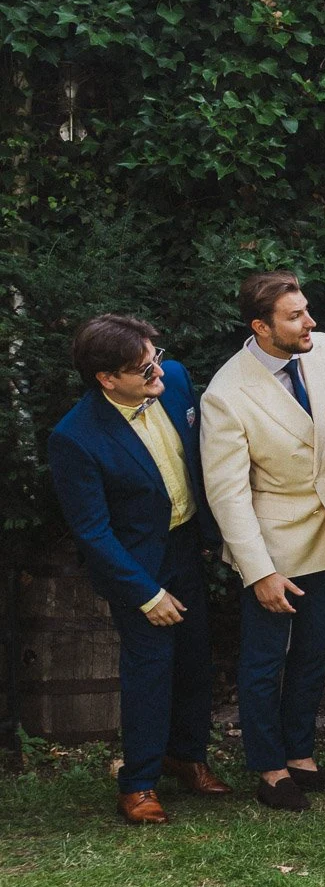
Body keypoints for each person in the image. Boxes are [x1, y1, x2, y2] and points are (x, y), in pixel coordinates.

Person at [48, 316, 228, 824]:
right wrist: (146, 594)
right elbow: (92, 531)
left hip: (186, 546)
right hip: (136, 564)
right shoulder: (74, 437)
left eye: (156, 358)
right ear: (107, 379)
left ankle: (187, 758)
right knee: (149, 670)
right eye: (145, 369)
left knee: (195, 660)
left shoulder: (176, 382)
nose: (159, 373)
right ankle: (139, 784)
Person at [201, 272, 325, 812]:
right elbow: (227, 494)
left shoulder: (324, 350)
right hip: (272, 546)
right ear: (260, 326)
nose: (310, 322)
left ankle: (301, 758)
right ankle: (270, 771)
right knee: (265, 661)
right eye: (295, 316)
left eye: (306, 310)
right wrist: (260, 571)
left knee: (316, 653)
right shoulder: (226, 394)